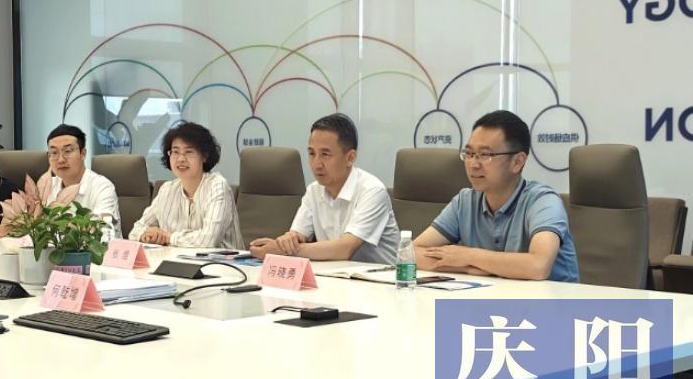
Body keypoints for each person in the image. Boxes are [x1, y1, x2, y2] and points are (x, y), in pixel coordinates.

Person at [413, 109, 579, 282]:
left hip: (553, 298)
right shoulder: (465, 201)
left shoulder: (543, 201)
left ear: (517, 162)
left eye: (485, 155)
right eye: (469, 154)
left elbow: (538, 266)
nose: (473, 164)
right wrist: (469, 268)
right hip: (495, 297)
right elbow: (411, 254)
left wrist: (469, 256)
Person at [249, 114, 399, 263]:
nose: (316, 164)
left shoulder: (372, 191)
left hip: (382, 276)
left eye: (325, 155)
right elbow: (297, 235)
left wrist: (282, 250)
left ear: (350, 158)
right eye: (312, 153)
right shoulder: (313, 191)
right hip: (334, 274)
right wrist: (287, 241)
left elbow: (345, 249)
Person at [128, 122, 243, 249]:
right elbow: (135, 231)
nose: (181, 159)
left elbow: (207, 240)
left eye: (189, 152)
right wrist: (148, 235)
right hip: (174, 260)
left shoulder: (217, 186)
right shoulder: (167, 190)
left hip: (221, 261)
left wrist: (168, 237)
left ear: (204, 156)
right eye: (175, 152)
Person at [43, 124, 120, 227]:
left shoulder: (103, 187)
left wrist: (65, 216)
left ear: (83, 154)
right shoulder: (47, 187)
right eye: (54, 153)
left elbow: (104, 230)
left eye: (67, 151)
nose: (60, 160)